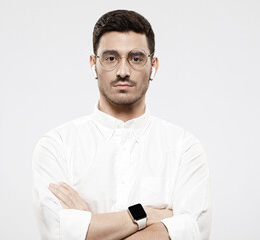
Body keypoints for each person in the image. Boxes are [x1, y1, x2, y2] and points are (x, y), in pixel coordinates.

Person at [32, 9, 212, 240]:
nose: (123, 71)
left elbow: (193, 233)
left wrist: (89, 225)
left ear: (153, 65)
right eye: (110, 58)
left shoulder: (185, 149)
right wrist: (146, 214)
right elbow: (57, 233)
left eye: (136, 58)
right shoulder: (56, 146)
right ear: (93, 64)